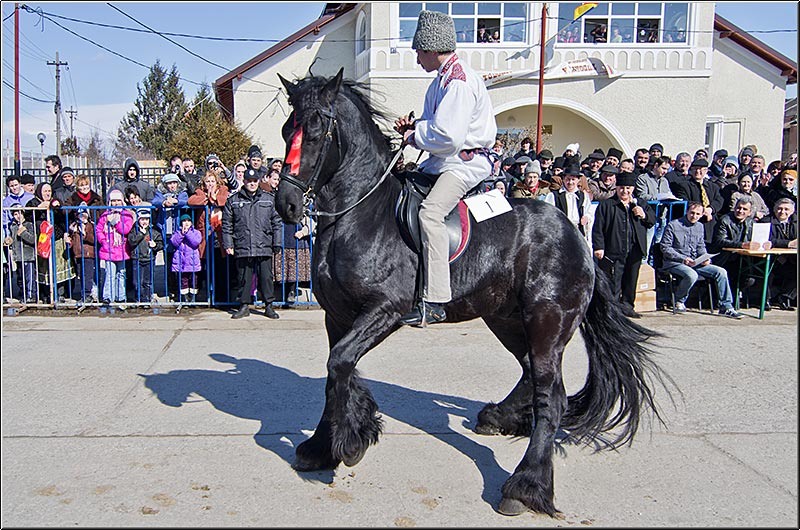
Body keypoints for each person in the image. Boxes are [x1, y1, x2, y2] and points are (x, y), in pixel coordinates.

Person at [392, 10, 497, 326]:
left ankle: (436, 301)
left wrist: (414, 135)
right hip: (442, 161)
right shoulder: (440, 82)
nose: (416, 58)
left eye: (418, 52)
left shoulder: (459, 82)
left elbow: (449, 138)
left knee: (430, 214)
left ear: (430, 47)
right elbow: (435, 127)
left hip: (463, 164)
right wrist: (415, 127)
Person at [659, 201, 743, 318]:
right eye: (692, 213)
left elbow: (700, 246)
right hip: (675, 262)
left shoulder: (700, 226)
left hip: (695, 262)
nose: (694, 216)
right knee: (691, 275)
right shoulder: (673, 225)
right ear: (687, 211)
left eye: (698, 214)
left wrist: (705, 257)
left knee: (721, 272)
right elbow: (665, 247)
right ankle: (679, 300)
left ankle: (726, 306)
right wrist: (683, 259)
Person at [591, 171, 656, 318]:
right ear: (616, 188)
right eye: (621, 188)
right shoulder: (607, 205)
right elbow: (598, 227)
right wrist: (599, 247)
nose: (624, 191)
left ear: (632, 189)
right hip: (614, 250)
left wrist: (643, 215)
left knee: (631, 280)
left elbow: (652, 221)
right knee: (613, 282)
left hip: (634, 249)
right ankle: (612, 309)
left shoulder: (640, 204)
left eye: (628, 188)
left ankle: (627, 306)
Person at [221, 168, 283, 320]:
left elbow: (277, 222)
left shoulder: (269, 199)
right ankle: (243, 306)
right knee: (244, 278)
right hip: (243, 244)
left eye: (255, 181)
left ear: (258, 182)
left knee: (266, 278)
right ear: (244, 182)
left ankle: (269, 305)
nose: (252, 184)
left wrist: (277, 242)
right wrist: (228, 244)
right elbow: (227, 224)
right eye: (249, 181)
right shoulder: (234, 200)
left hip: (264, 244)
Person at [710, 197, 767, 305]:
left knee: (753, 277)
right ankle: (726, 300)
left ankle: (736, 298)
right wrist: (742, 245)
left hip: (744, 258)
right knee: (732, 273)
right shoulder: (725, 220)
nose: (740, 211)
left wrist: (766, 243)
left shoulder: (751, 223)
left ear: (750, 212)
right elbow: (720, 241)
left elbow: (756, 239)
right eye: (738, 208)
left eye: (744, 209)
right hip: (724, 257)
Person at [187, 170, 232, 305]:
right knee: (205, 267)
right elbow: (191, 201)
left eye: (213, 181)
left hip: (219, 235)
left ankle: (222, 297)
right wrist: (208, 198)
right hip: (205, 237)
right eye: (208, 181)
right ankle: (207, 296)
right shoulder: (200, 192)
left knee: (221, 268)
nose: (210, 184)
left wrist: (215, 198)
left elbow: (225, 200)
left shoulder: (223, 190)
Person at [27, 182, 76, 304]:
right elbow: (27, 216)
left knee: (59, 267)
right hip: (42, 240)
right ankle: (45, 294)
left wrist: (56, 208)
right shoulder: (33, 203)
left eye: (49, 191)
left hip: (57, 239)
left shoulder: (55, 202)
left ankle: (60, 294)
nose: (48, 193)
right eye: (45, 191)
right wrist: (39, 208)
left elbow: (62, 219)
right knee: (44, 269)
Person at [95, 189, 134, 309]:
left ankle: (120, 296)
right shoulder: (105, 215)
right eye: (113, 201)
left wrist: (116, 223)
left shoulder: (127, 215)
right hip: (109, 249)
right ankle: (108, 296)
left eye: (118, 200)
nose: (116, 203)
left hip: (122, 249)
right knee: (110, 274)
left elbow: (126, 230)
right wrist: (103, 241)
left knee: (121, 274)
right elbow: (99, 230)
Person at [673, 158, 723, 245]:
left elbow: (719, 200)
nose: (698, 171)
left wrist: (710, 209)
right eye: (695, 169)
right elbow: (685, 201)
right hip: (692, 223)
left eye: (701, 169)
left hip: (710, 224)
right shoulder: (684, 185)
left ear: (706, 171)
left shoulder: (713, 186)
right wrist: (702, 210)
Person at [544, 163, 593, 246]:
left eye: (573, 179)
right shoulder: (553, 196)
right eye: (568, 179)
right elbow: (548, 215)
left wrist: (587, 217)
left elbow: (589, 212)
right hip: (560, 234)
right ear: (563, 179)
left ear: (578, 180)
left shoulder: (583, 196)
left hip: (578, 233)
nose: (570, 182)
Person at [761, 198, 797, 310]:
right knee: (767, 273)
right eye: (780, 209)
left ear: (792, 211)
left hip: (789, 259)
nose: (782, 212)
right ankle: (765, 300)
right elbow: (766, 240)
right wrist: (788, 243)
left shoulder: (795, 223)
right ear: (774, 209)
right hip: (769, 259)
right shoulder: (766, 221)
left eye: (786, 209)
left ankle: (785, 297)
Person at [127, 208, 163, 306]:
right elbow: (131, 241)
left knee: (147, 281)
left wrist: (155, 245)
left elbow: (160, 243)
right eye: (142, 219)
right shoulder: (134, 230)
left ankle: (146, 299)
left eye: (146, 219)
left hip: (149, 258)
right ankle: (138, 297)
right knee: (136, 281)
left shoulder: (153, 230)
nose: (144, 222)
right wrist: (141, 234)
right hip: (137, 258)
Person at [4, 203, 37, 303]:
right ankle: (23, 294)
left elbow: (33, 239)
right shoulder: (13, 226)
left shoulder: (29, 224)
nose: (18, 216)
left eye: (19, 213)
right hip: (18, 256)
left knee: (29, 277)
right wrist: (9, 241)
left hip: (28, 256)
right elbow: (13, 239)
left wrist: (23, 233)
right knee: (21, 278)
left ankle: (31, 295)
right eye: (15, 214)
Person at [66, 203, 97, 307]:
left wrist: (84, 234)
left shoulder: (91, 225)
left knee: (88, 275)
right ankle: (84, 294)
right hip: (78, 254)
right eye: (80, 215)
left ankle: (88, 295)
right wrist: (69, 241)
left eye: (84, 215)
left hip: (88, 254)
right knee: (81, 275)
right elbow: (72, 240)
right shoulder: (74, 226)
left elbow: (94, 240)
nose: (82, 217)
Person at [170, 213, 203, 304]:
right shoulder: (177, 232)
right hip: (181, 262)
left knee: (193, 281)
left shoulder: (196, 232)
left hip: (192, 262)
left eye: (188, 221)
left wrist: (187, 233)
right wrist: (181, 234)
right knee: (183, 281)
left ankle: (193, 299)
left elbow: (195, 242)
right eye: (184, 221)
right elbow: (174, 242)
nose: (186, 223)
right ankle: (185, 299)